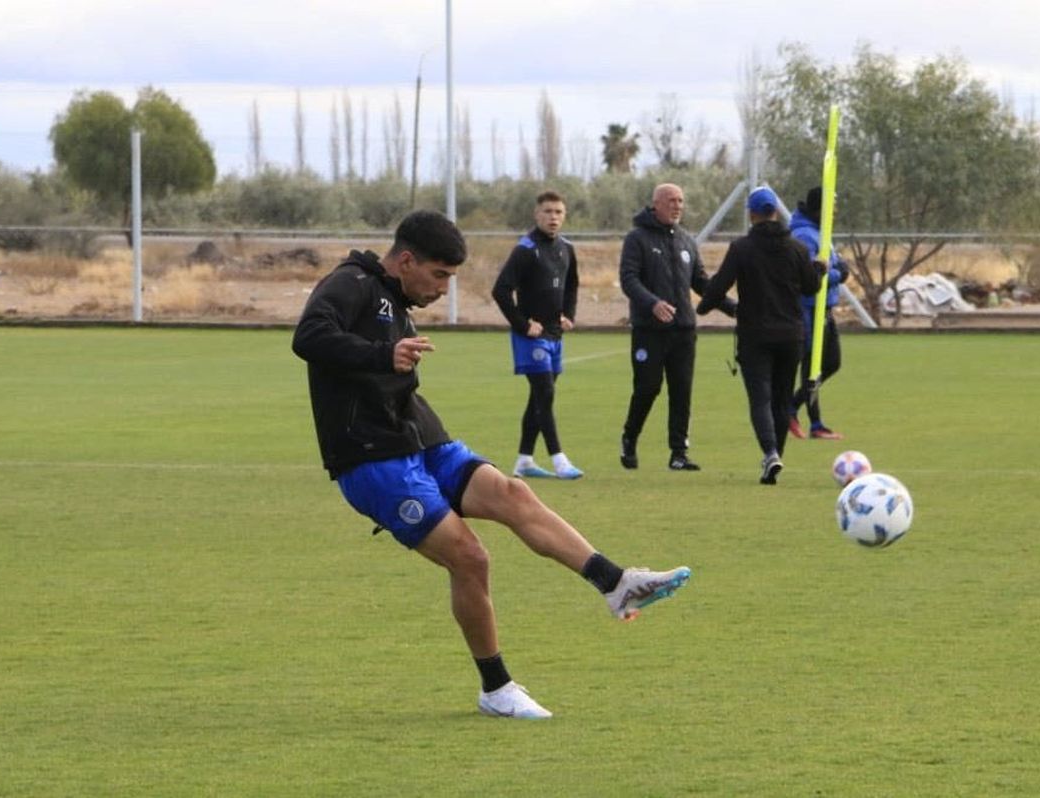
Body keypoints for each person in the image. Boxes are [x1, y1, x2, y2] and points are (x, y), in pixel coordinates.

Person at [292, 210, 692, 720]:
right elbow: (307, 337)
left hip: (418, 437)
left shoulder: (394, 296)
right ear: (407, 260)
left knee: (513, 494)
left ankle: (617, 584)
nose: (443, 289)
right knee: (471, 558)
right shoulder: (350, 284)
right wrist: (380, 354)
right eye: (439, 276)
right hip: (372, 459)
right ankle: (496, 688)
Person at [696, 187, 823, 485]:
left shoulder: (741, 248)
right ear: (775, 212)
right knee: (781, 401)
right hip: (791, 335)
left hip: (755, 336)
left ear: (751, 214)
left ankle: (770, 454)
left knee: (760, 400)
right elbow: (811, 287)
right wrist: (818, 269)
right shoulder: (797, 249)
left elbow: (719, 285)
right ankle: (775, 457)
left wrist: (703, 307)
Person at [618, 183, 732, 472]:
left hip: (683, 331)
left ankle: (678, 453)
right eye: (671, 200)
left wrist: (734, 307)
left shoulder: (686, 241)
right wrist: (652, 303)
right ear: (655, 203)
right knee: (648, 388)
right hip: (649, 330)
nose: (677, 205)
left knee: (681, 391)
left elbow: (702, 283)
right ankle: (630, 438)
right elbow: (629, 279)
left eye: (681, 200)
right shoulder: (637, 238)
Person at [492, 190, 583, 480]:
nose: (553, 217)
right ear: (536, 214)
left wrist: (569, 314)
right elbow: (501, 290)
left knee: (539, 397)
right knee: (544, 392)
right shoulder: (525, 249)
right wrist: (522, 324)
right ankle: (559, 460)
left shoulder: (566, 248)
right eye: (547, 212)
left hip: (555, 334)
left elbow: (571, 285)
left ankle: (524, 461)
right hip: (531, 337)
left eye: (558, 212)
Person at [787, 186, 849, 440]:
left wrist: (839, 267)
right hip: (808, 309)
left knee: (829, 363)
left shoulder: (819, 232)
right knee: (812, 364)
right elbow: (810, 275)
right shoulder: (803, 234)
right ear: (819, 207)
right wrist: (839, 274)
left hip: (825, 308)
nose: (835, 209)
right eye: (832, 204)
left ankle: (799, 411)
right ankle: (803, 416)